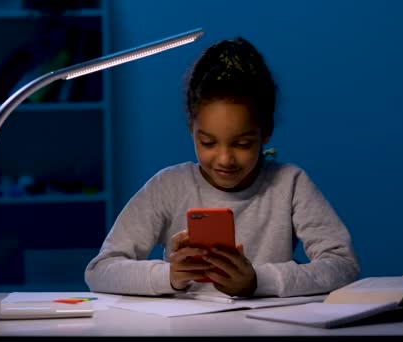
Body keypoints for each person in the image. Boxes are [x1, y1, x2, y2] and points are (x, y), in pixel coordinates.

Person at [85, 36, 360, 298]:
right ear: (191, 129)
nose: (225, 159)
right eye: (208, 142)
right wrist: (169, 275)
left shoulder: (289, 183)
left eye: (242, 144)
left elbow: (343, 266)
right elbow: (100, 271)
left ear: (266, 132)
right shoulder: (167, 186)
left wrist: (255, 280)